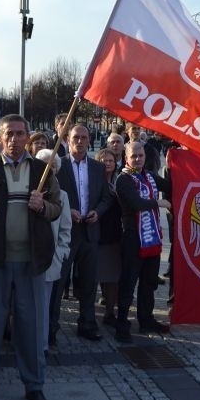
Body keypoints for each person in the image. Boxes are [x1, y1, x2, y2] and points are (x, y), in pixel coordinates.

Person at [0, 114, 61, 400]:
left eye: (20, 134)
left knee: (31, 327)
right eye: (9, 133)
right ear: (1, 135)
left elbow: (57, 208)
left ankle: (34, 386)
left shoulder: (42, 172)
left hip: (31, 262)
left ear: (28, 136)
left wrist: (42, 206)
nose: (14, 139)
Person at [49, 125, 112, 344]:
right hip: (67, 233)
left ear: (89, 140)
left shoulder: (96, 167)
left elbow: (106, 197)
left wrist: (98, 212)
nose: (80, 141)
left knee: (88, 282)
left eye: (84, 137)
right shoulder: (59, 165)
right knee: (59, 283)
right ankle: (51, 328)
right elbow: (52, 196)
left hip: (90, 233)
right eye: (76, 137)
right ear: (67, 139)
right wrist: (68, 211)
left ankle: (87, 324)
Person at [115, 141, 171, 344]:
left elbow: (171, 185)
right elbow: (137, 204)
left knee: (149, 283)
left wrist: (181, 164)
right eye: (133, 156)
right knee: (129, 283)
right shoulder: (123, 179)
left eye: (140, 155)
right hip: (132, 238)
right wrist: (159, 202)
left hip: (152, 239)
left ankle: (146, 319)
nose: (138, 159)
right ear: (126, 158)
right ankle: (122, 324)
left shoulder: (148, 176)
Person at [35, 149, 71, 355]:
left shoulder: (62, 196)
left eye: (53, 166)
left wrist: (61, 253)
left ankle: (41, 346)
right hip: (26, 257)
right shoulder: (28, 189)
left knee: (43, 307)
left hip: (49, 260)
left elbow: (66, 229)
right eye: (44, 165)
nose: (49, 169)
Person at [94, 148, 122, 326]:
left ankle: (110, 313)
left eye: (111, 160)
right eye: (104, 160)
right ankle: (89, 314)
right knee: (93, 276)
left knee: (112, 276)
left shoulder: (121, 181)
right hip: (95, 233)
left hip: (114, 235)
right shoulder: (92, 182)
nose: (108, 163)